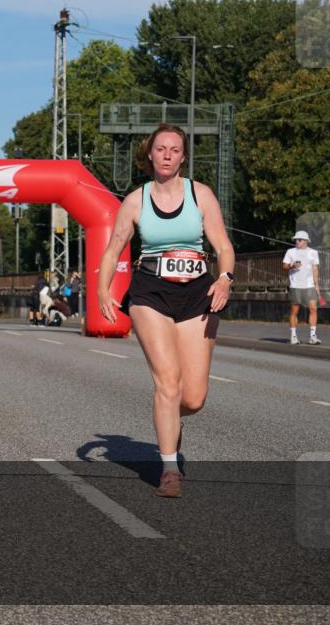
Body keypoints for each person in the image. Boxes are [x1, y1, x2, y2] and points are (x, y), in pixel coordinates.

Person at [98, 123, 234, 499]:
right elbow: (113, 249)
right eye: (161, 149)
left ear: (183, 156)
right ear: (151, 154)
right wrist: (102, 290)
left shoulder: (200, 194)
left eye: (175, 150)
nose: (168, 155)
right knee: (167, 382)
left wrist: (224, 278)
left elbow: (223, 245)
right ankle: (170, 468)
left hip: (196, 292)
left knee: (192, 398)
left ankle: (170, 417)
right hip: (150, 291)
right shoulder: (136, 200)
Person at [283, 230, 322, 345]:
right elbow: (284, 266)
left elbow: (315, 269)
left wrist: (316, 285)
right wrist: (292, 265)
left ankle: (313, 336)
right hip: (295, 285)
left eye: (299, 240)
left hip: (309, 285)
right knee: (295, 311)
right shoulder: (290, 252)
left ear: (306, 241)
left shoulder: (313, 252)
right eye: (296, 240)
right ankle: (293, 336)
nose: (297, 242)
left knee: (313, 309)